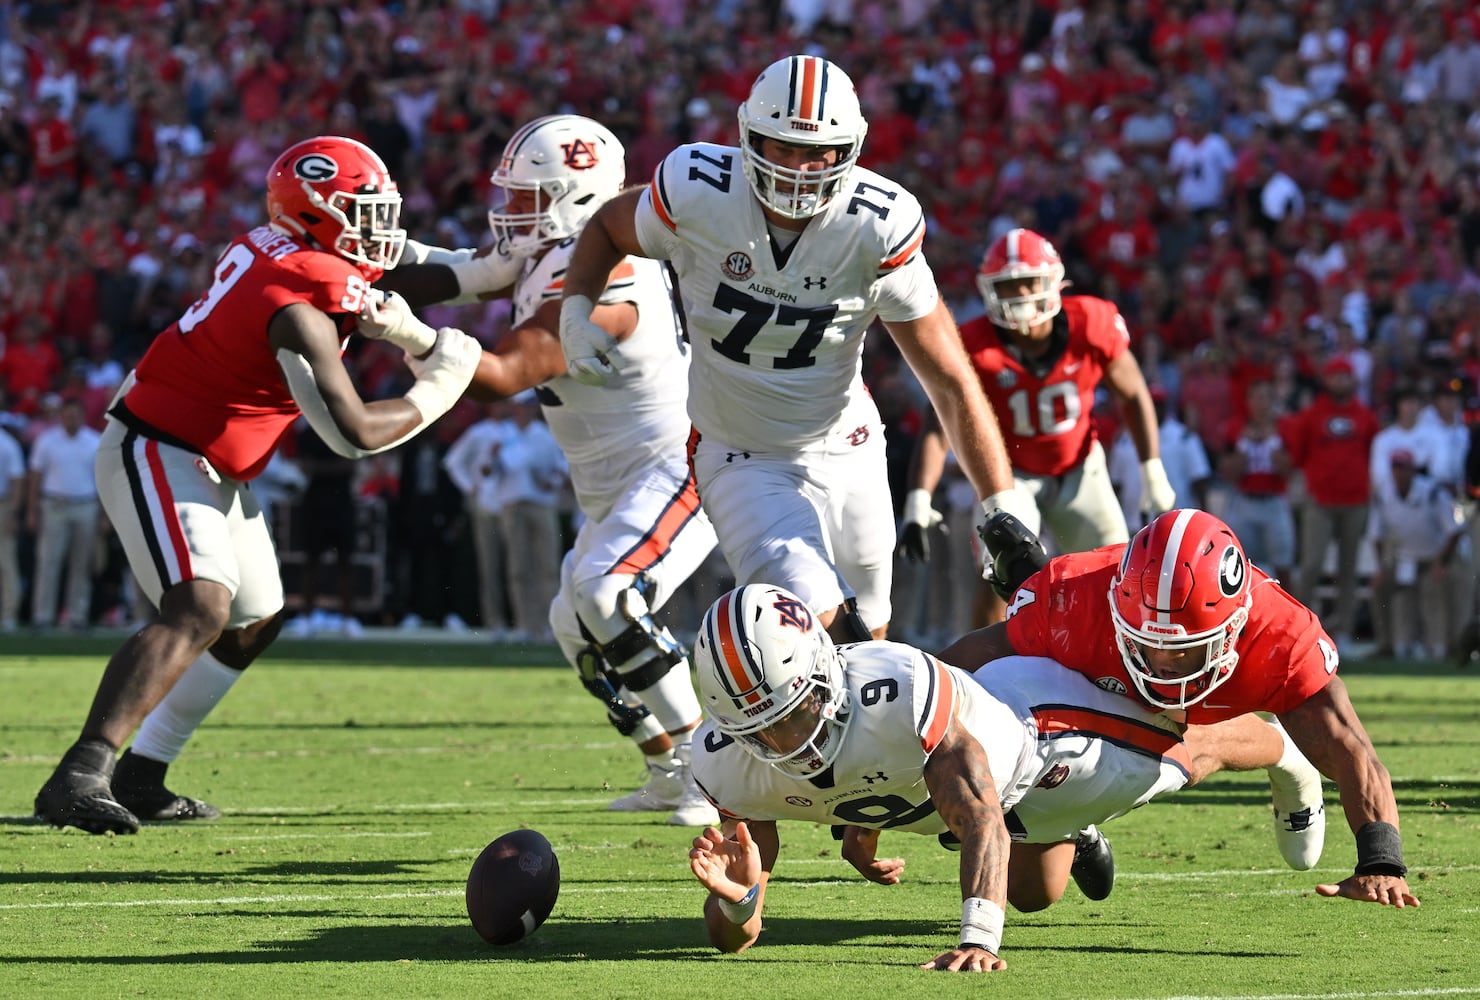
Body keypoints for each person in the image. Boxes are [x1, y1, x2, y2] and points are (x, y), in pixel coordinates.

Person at [33, 135, 482, 834]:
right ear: (314, 217)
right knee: (200, 606)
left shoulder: (298, 255)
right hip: (156, 442)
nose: (381, 228)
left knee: (254, 620)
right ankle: (79, 773)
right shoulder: (297, 298)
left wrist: (514, 266)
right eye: (362, 212)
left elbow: (425, 265)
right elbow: (352, 433)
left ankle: (142, 774)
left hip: (210, 458)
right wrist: (444, 382)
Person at [556, 55, 1041, 645]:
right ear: (747, 138)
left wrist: (999, 505)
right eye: (781, 147)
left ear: (851, 150)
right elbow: (608, 226)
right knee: (829, 628)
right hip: (741, 453)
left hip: (848, 445)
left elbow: (950, 380)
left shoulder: (875, 226)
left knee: (873, 644)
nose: (799, 169)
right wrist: (575, 305)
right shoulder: (697, 191)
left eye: (819, 152)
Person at [684, 583, 1322, 968]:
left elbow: (980, 813)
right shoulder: (724, 760)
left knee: (1177, 753)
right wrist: (735, 899)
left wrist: (978, 938)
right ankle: (1079, 833)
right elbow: (739, 935)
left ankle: (1285, 755)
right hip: (960, 800)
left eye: (797, 715)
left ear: (826, 676)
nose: (787, 743)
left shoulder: (896, 689)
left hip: (1037, 742)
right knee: (1037, 895)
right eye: (763, 731)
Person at [375, 114, 720, 825]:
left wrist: (395, 327)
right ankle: (663, 765)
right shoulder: (548, 252)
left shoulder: (614, 271)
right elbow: (450, 272)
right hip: (615, 482)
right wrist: (360, 262)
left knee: (604, 593)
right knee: (573, 622)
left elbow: (503, 374)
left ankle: (704, 770)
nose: (510, 213)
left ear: (578, 199)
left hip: (677, 464)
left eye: (530, 197)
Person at [941, 508, 1419, 908]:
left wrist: (1381, 859)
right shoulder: (1074, 596)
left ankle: (1281, 749)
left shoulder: (1280, 634)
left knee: (1168, 740)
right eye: (1147, 643)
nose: (1163, 664)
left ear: (1234, 623)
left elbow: (1349, 745)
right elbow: (956, 666)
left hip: (1179, 719)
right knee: (1031, 893)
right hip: (1092, 700)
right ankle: (1080, 819)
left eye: (1185, 649)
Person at [898, 227, 1174, 623]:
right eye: (1009, 287)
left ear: (1052, 282)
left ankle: (1118, 663)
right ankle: (989, 671)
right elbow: (939, 423)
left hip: (1079, 468)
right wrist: (918, 498)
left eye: (1028, 283)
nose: (1021, 296)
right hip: (1010, 476)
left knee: (1116, 573)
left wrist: (1153, 471)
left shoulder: (1091, 322)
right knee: (1002, 570)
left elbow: (1132, 394)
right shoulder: (975, 344)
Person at [26, 396, 102, 629]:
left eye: (75, 415)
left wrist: (105, 515)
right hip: (54, 505)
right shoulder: (47, 441)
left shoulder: (94, 441)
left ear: (82, 416)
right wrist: (31, 510)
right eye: (67, 415)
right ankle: (43, 616)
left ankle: (77, 615)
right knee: (49, 561)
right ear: (61, 416)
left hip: (86, 505)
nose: (71, 419)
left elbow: (102, 480)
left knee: (81, 564)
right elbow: (35, 477)